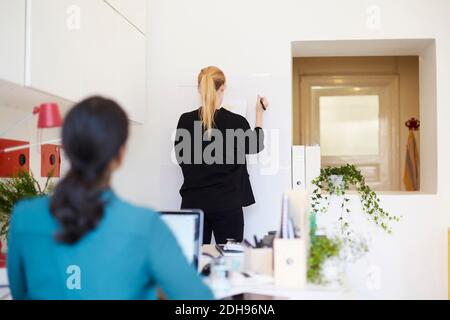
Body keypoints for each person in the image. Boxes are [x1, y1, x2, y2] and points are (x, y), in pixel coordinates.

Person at [7, 96, 213, 300]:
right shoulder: (144, 225)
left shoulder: (24, 216)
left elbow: (21, 293)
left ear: (67, 149)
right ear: (120, 155)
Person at [175, 66, 268, 244]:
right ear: (222, 88)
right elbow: (256, 145)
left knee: (193, 263)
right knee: (230, 263)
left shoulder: (185, 121)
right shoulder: (236, 121)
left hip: (193, 205)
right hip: (227, 205)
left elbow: (181, 158)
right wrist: (259, 113)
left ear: (199, 88)